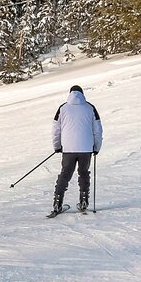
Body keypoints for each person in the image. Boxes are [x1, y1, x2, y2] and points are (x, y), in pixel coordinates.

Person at [51, 84, 103, 214]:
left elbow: (55, 130)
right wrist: (96, 147)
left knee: (65, 174)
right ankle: (84, 200)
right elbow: (98, 130)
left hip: (68, 148)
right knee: (84, 173)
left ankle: (57, 203)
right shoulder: (90, 108)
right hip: (86, 148)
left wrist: (57, 146)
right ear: (82, 94)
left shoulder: (62, 108)